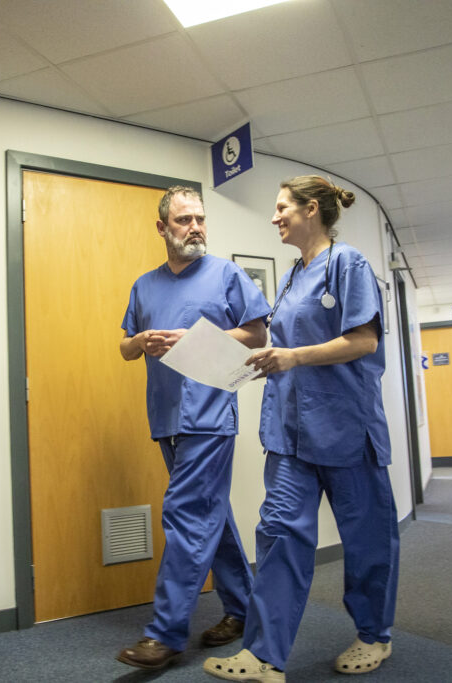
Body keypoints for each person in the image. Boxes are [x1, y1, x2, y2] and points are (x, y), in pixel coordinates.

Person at [204, 176, 400, 681]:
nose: (274, 218)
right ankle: (263, 655)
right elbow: (281, 347)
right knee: (278, 536)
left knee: (366, 541)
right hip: (290, 434)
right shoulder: (292, 276)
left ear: (311, 210)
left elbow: (363, 341)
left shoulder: (347, 263)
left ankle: (374, 635)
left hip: (346, 428)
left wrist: (292, 356)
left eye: (281, 208)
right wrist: (228, 358)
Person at [117, 186, 272, 670]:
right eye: (184, 220)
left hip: (208, 415)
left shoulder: (225, 274)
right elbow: (123, 347)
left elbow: (257, 334)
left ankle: (164, 634)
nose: (196, 227)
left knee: (186, 513)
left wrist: (196, 337)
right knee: (211, 513)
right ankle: (243, 610)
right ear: (163, 228)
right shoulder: (145, 285)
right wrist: (139, 341)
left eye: (200, 219)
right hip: (166, 417)